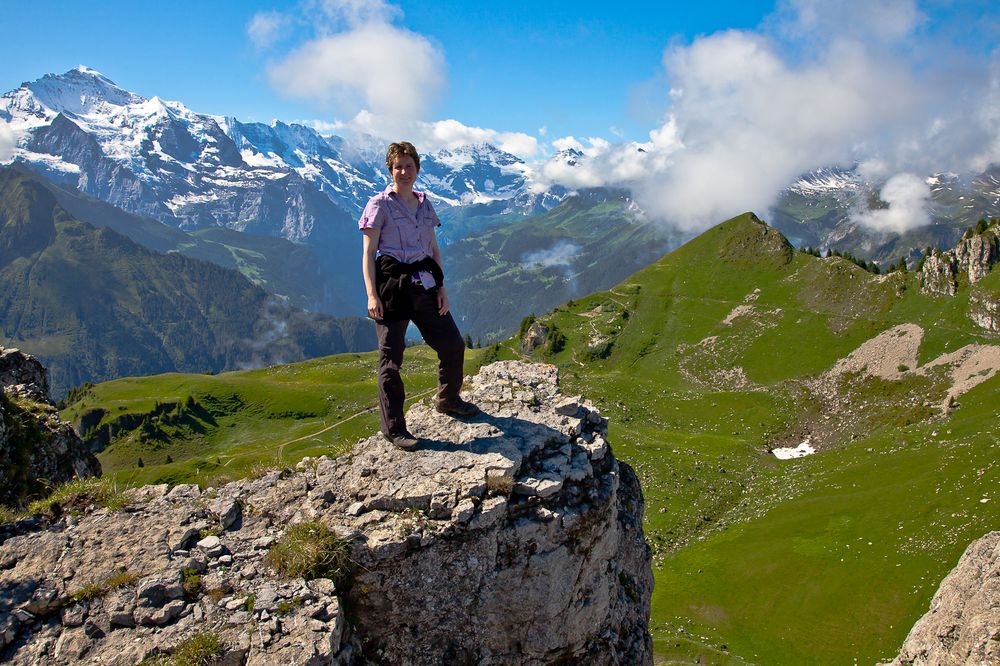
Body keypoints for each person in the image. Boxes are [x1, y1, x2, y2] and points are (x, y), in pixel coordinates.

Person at [360, 141, 478, 450]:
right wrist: (372, 295)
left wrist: (442, 288)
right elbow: (369, 253)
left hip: (425, 282)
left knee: (453, 344)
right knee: (390, 360)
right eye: (398, 166)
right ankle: (394, 429)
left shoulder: (425, 205)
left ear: (417, 169)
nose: (403, 171)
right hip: (391, 285)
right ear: (390, 170)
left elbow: (434, 249)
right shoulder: (379, 204)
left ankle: (448, 399)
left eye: (409, 166)